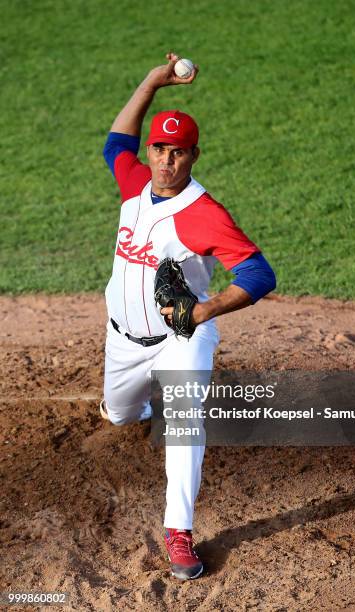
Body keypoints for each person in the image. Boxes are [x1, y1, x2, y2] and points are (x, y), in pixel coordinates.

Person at [101, 52, 276, 580]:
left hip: (183, 334)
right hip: (125, 341)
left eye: (178, 152)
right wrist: (153, 80)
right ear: (151, 151)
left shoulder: (205, 213)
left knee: (183, 419)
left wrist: (204, 308)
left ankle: (178, 531)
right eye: (160, 149)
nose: (167, 161)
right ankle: (140, 401)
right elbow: (115, 143)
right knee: (121, 415)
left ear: (193, 154)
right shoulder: (134, 183)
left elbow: (258, 273)